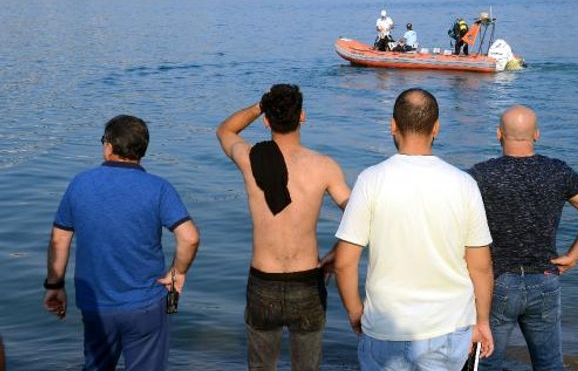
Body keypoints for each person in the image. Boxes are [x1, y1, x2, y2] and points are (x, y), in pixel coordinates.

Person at [335, 88, 495, 370]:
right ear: (437, 127)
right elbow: (480, 267)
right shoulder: (463, 184)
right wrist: (482, 321)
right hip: (449, 327)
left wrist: (355, 311)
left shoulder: (370, 180)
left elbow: (345, 263)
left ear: (392, 125)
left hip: (385, 327)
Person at [43, 114, 200, 371]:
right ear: (142, 150)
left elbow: (60, 239)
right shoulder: (159, 188)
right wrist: (177, 272)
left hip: (96, 305)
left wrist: (54, 284)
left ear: (109, 147)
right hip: (146, 305)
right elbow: (190, 237)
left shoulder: (79, 184)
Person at [216, 84, 350, 370]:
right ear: (302, 116)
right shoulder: (324, 166)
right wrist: (338, 253)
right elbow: (359, 217)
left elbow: (225, 130)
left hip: (264, 281)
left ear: (266, 119)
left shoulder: (250, 158)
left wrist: (258, 106)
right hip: (308, 282)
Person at [468, 105, 578, 371]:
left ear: (499, 133)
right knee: (549, 364)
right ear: (536, 134)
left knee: (486, 363)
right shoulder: (557, 171)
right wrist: (573, 256)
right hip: (545, 279)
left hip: (496, 282)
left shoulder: (480, 175)